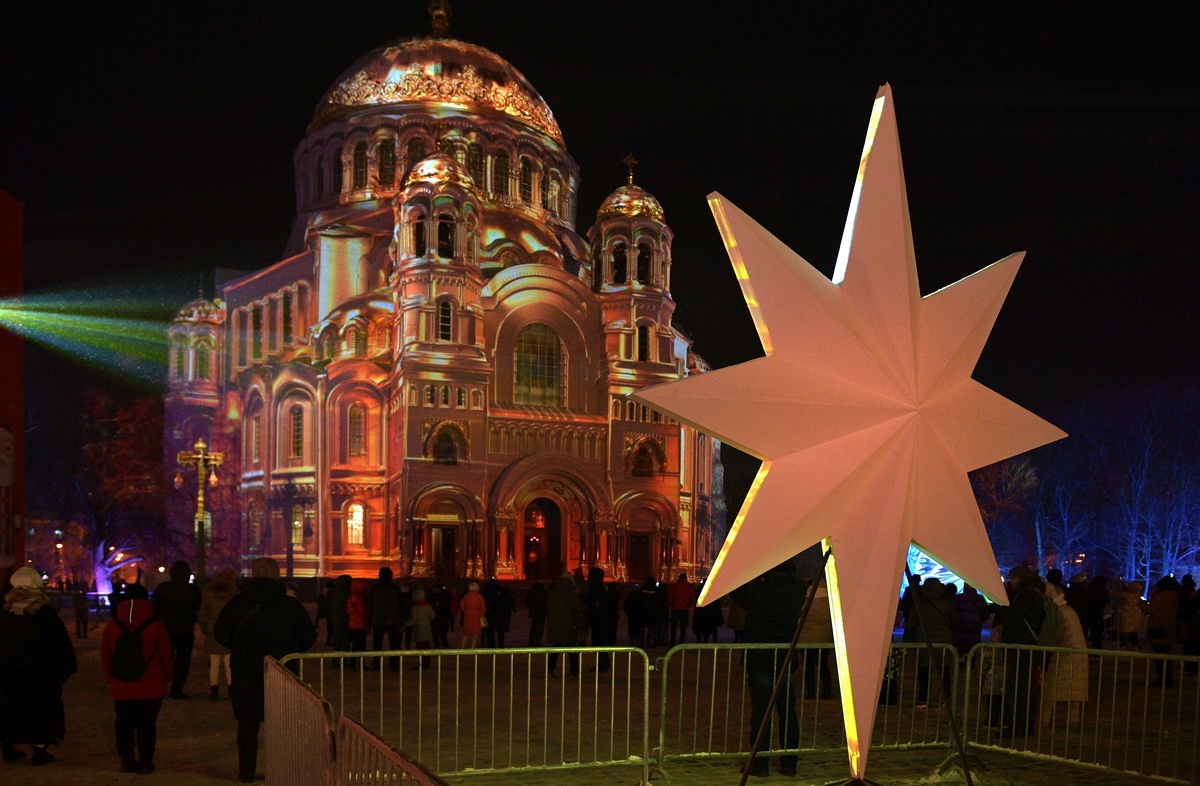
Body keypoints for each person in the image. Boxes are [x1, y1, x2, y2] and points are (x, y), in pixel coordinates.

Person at [214, 557, 317, 783]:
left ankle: (247, 771)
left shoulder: (237, 604)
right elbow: (309, 636)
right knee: (280, 724)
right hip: (282, 670)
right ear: (276, 575)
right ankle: (279, 769)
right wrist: (289, 649)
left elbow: (220, 633)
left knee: (247, 724)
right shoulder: (289, 605)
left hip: (245, 671)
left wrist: (241, 648)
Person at [732, 560, 805, 778]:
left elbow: (735, 590)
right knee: (788, 713)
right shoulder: (798, 591)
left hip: (760, 659)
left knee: (761, 714)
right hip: (785, 659)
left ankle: (760, 763)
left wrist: (755, 572)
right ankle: (789, 763)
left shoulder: (756, 591)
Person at [0, 566, 78, 765]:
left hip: (8, 673)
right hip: (40, 674)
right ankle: (39, 749)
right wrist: (64, 668)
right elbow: (59, 643)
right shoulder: (44, 612)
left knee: (9, 708)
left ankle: (7, 745)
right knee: (40, 711)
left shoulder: (5, 611)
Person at [101, 594, 174, 773]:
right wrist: (168, 678)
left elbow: (106, 655)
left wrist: (109, 679)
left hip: (121, 684)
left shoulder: (112, 624)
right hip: (151, 684)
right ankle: (146, 762)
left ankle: (126, 760)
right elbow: (166, 654)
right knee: (147, 724)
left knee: (124, 724)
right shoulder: (157, 625)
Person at [996, 565, 1045, 737]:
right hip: (1025, 649)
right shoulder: (1034, 593)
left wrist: (998, 605)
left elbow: (1015, 614)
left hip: (1021, 650)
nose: (1012, 582)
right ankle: (1024, 725)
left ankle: (1017, 726)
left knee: (1018, 690)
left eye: (1014, 579)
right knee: (1025, 690)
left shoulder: (1027, 595)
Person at [151, 560, 202, 700]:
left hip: (166, 629)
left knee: (164, 659)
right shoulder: (193, 590)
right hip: (185, 629)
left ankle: (162, 687)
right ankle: (177, 689)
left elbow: (153, 607)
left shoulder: (163, 588)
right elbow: (197, 606)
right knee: (183, 662)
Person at [1040, 582, 1088, 729]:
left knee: (1052, 686)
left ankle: (1044, 720)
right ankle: (1074, 720)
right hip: (1078, 651)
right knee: (1076, 687)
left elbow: (1054, 634)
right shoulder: (1067, 609)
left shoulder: (1056, 612)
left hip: (1065, 652)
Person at [198, 568, 238, 701]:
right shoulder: (232, 595)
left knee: (214, 662)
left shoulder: (208, 594)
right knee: (229, 662)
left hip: (212, 628)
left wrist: (204, 628)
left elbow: (202, 613)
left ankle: (214, 690)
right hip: (227, 629)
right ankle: (231, 689)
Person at [797, 577, 833, 700]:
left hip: (807, 636)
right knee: (823, 664)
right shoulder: (831, 601)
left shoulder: (807, 600)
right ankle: (827, 690)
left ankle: (811, 691)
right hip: (825, 636)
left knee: (809, 665)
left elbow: (800, 613)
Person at [546, 572, 585, 678]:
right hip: (568, 623)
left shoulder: (553, 591)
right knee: (571, 648)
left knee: (556, 647)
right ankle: (574, 671)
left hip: (555, 623)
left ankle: (550, 669)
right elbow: (576, 607)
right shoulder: (571, 591)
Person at [367, 567, 403, 670]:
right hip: (392, 619)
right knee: (394, 643)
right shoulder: (395, 588)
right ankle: (394, 663)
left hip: (378, 619)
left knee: (377, 643)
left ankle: (377, 663)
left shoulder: (375, 588)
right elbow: (400, 604)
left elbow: (370, 603)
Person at [1147, 576, 1179, 687]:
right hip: (1169, 627)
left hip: (1158, 628)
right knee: (1167, 655)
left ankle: (1162, 678)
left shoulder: (1160, 597)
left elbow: (1149, 609)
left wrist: (1141, 603)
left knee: (1159, 655)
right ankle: (1168, 678)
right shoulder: (1174, 596)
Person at [401, 588, 435, 669]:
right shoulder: (428, 606)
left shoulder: (415, 608)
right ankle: (427, 662)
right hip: (427, 629)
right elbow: (433, 616)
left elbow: (414, 620)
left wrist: (405, 625)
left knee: (420, 648)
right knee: (427, 647)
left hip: (419, 630)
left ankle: (422, 664)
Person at [952, 584, 989, 658]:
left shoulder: (958, 598)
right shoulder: (980, 599)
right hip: (974, 632)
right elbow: (985, 615)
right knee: (971, 654)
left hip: (960, 632)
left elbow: (953, 614)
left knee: (960, 654)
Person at [1110, 578, 1147, 651]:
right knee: (1133, 632)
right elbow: (1130, 588)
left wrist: (1117, 582)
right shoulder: (1138, 596)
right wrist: (1124, 583)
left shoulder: (1126, 595)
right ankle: (1135, 646)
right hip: (1134, 618)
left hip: (1124, 617)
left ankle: (1122, 647)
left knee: (1122, 632)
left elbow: (1115, 592)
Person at [482, 577, 515, 648]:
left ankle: (491, 644)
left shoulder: (485, 591)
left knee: (490, 630)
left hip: (489, 614)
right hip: (499, 614)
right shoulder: (499, 590)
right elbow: (504, 601)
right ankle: (501, 644)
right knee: (500, 630)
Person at [667, 573, 695, 647]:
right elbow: (692, 598)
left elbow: (669, 596)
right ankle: (681, 642)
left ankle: (672, 642)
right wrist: (688, 604)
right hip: (684, 609)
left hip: (675, 609)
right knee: (683, 627)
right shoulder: (689, 587)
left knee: (673, 627)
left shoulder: (675, 586)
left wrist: (671, 604)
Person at [459, 581, 487, 649]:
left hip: (467, 614)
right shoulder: (479, 596)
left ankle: (462, 645)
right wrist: (482, 612)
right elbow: (483, 606)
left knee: (466, 631)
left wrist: (465, 610)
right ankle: (472, 646)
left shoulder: (466, 596)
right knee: (475, 632)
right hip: (477, 615)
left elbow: (462, 605)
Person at [526, 580, 548, 646]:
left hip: (534, 612)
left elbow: (527, 601)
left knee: (533, 628)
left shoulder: (531, 592)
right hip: (541, 612)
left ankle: (531, 641)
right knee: (540, 629)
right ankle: (537, 641)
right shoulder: (544, 592)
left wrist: (530, 610)